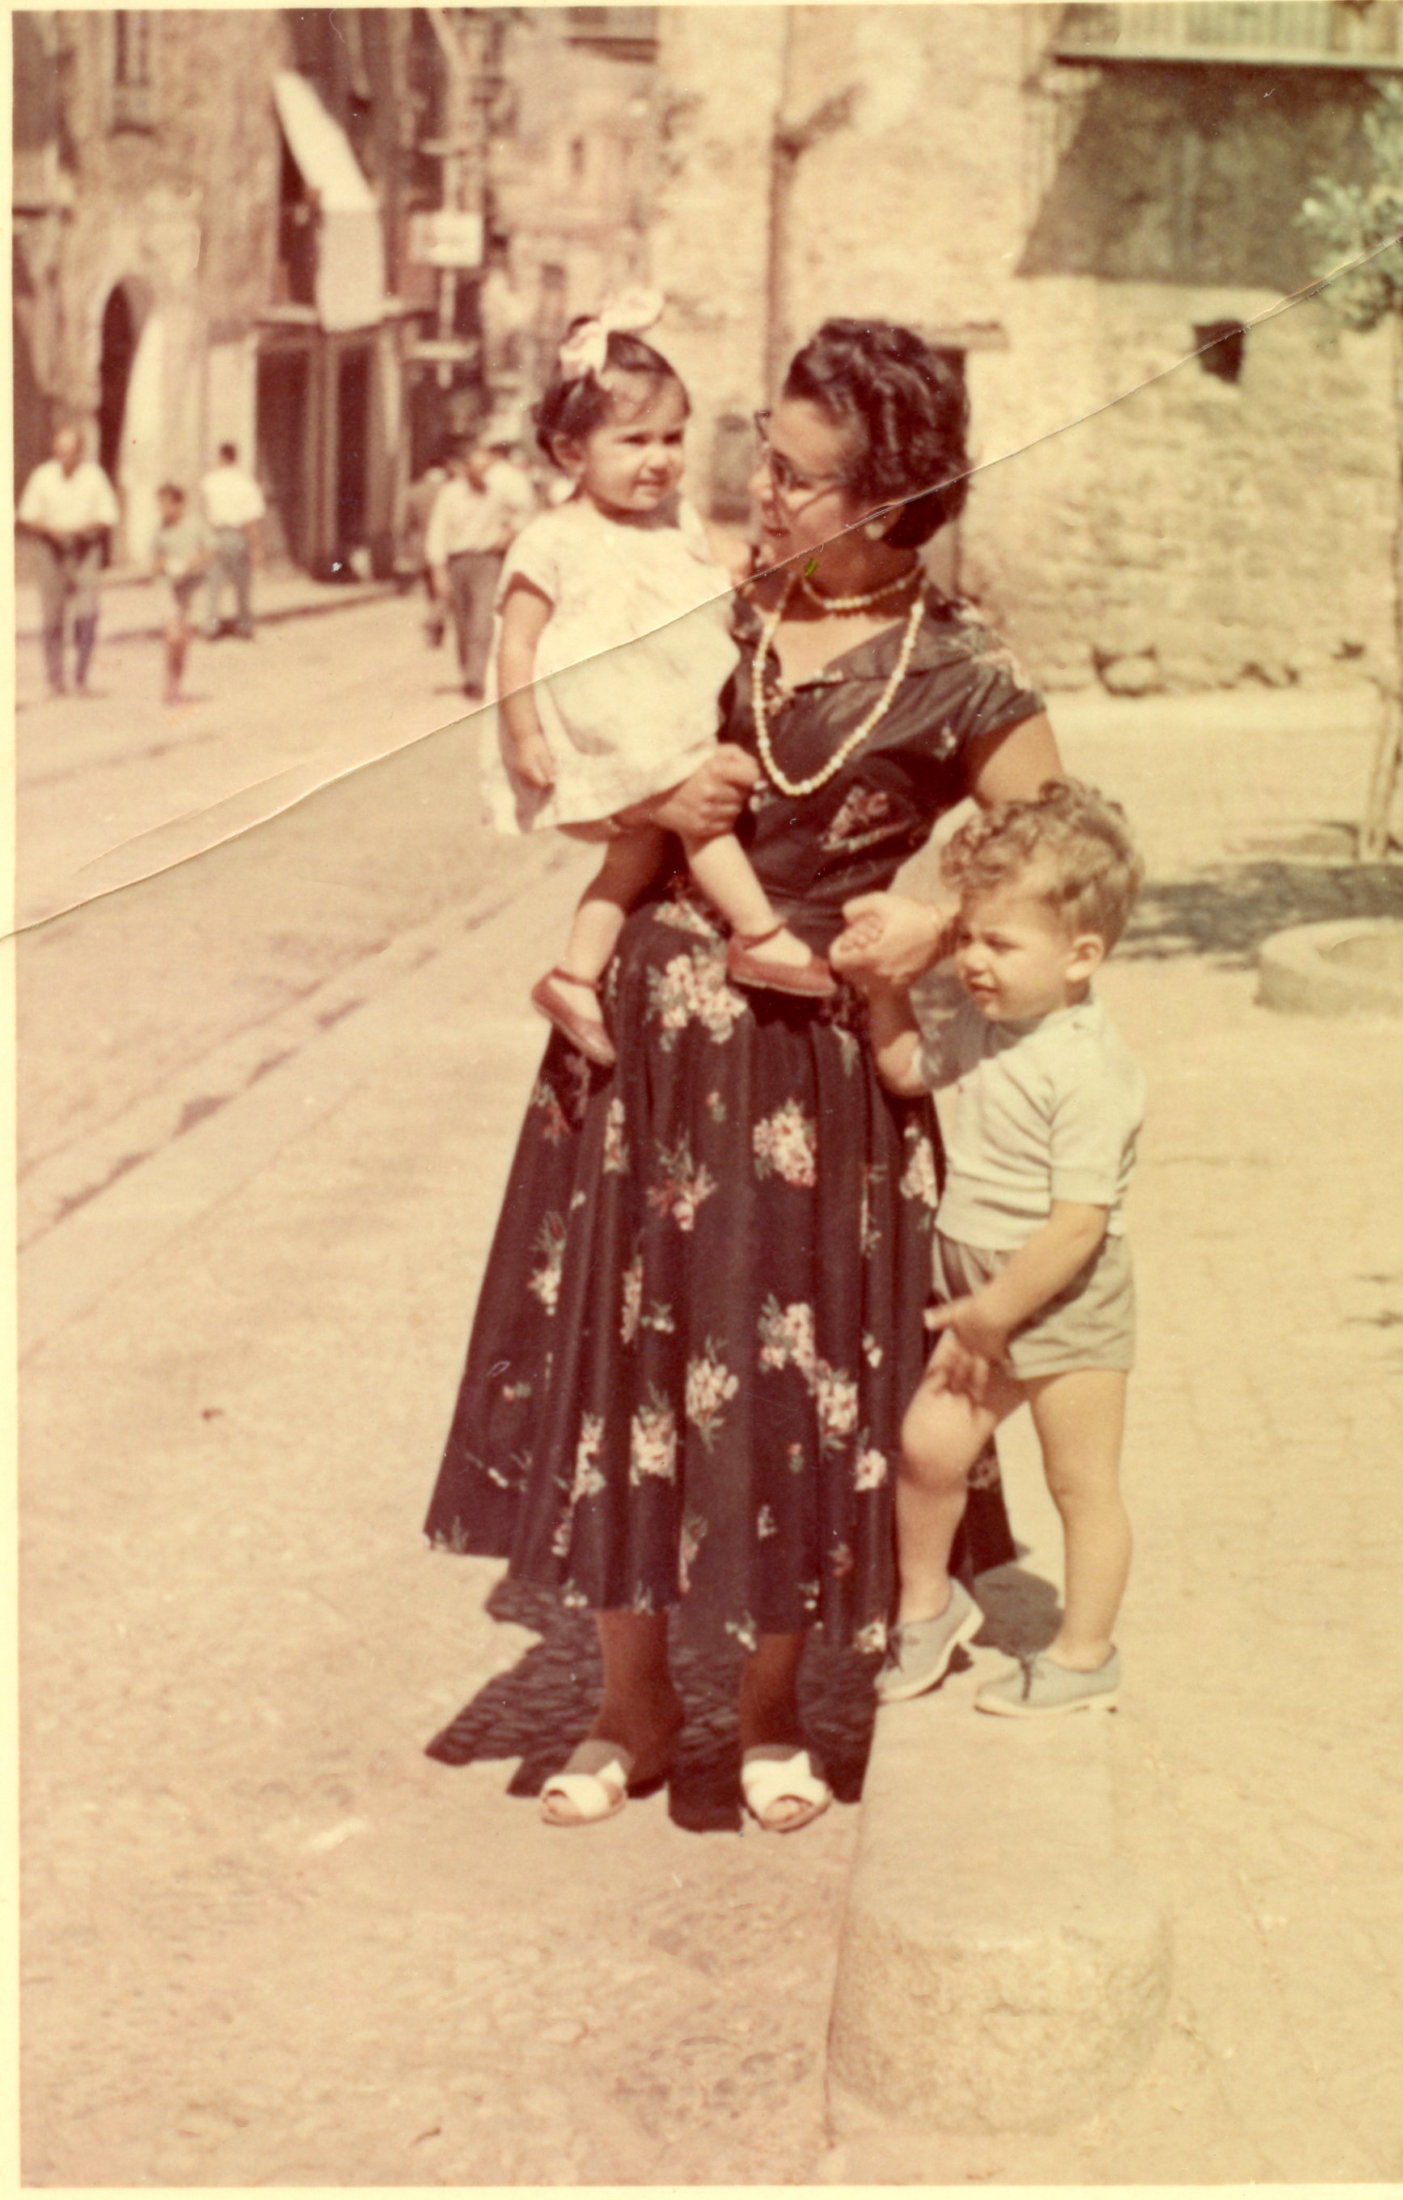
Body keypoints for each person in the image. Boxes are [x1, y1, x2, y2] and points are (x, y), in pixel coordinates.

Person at [424, 318, 1063, 1831]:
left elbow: (1064, 841)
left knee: (792, 1381)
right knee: (628, 1371)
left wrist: (939, 908)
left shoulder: (962, 663)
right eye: (758, 462)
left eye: (797, 477)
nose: (758, 495)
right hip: (645, 1041)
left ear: (888, 497)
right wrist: (621, 834)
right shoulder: (706, 598)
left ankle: (769, 1711)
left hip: (808, 1071)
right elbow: (581, 781)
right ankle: (628, 1706)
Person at [859, 781, 1146, 1717]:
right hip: (976, 1293)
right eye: (968, 936)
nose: (972, 961)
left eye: (999, 943)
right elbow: (904, 1070)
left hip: (1057, 1297)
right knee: (928, 1451)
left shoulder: (1084, 1064)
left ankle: (1083, 1652)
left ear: (1080, 957)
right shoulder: (982, 1027)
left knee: (1079, 1482)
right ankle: (927, 1609)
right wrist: (886, 993)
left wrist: (991, 1313)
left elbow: (1077, 1224)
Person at [497, 297, 836, 1071]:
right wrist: (524, 736)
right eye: (633, 440)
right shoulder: (552, 539)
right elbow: (515, 646)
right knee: (696, 813)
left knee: (635, 856)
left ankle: (573, 976)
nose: (658, 458)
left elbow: (725, 556)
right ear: (570, 453)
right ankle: (759, 935)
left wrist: (773, 565)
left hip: (653, 710)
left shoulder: (672, 520)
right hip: (597, 720)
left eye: (671, 438)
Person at [17, 425, 120, 696]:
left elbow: (109, 515)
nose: (64, 458)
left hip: (85, 549)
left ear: (80, 453)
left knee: (87, 615)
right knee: (52, 618)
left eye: (70, 453)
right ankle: (55, 680)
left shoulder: (94, 476)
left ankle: (81, 678)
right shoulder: (43, 476)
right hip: (51, 550)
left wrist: (83, 530)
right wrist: (50, 530)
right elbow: (27, 514)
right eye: (59, 453)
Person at [426, 436, 528, 700]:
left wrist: (509, 534)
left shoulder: (498, 491)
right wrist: (438, 571)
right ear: (463, 467)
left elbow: (525, 511)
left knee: (483, 620)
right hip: (457, 562)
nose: (480, 471)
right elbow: (437, 532)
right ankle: (468, 672)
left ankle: (477, 677)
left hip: (488, 562)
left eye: (485, 466)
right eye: (474, 465)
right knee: (462, 623)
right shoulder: (449, 494)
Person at [150, 483, 212, 706]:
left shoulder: (196, 525)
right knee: (172, 637)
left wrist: (188, 563)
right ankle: (168, 685)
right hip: (169, 587)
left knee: (183, 641)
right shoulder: (160, 531)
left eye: (166, 504)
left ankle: (176, 685)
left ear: (178, 504)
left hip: (193, 587)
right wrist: (166, 566)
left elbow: (211, 551)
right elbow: (155, 561)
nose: (162, 509)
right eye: (160, 505)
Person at [199, 442, 266, 639]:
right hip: (238, 536)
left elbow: (203, 509)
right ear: (236, 458)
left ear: (221, 457)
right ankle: (244, 626)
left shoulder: (209, 481)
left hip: (216, 534)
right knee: (242, 585)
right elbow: (251, 519)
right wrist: (256, 547)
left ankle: (211, 627)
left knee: (214, 585)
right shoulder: (246, 483)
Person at [399, 449, 455, 646]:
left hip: (422, 548)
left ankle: (435, 626)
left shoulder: (414, 490)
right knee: (446, 589)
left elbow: (407, 523)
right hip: (448, 547)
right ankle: (434, 620)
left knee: (432, 589)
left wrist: (407, 549)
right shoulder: (452, 489)